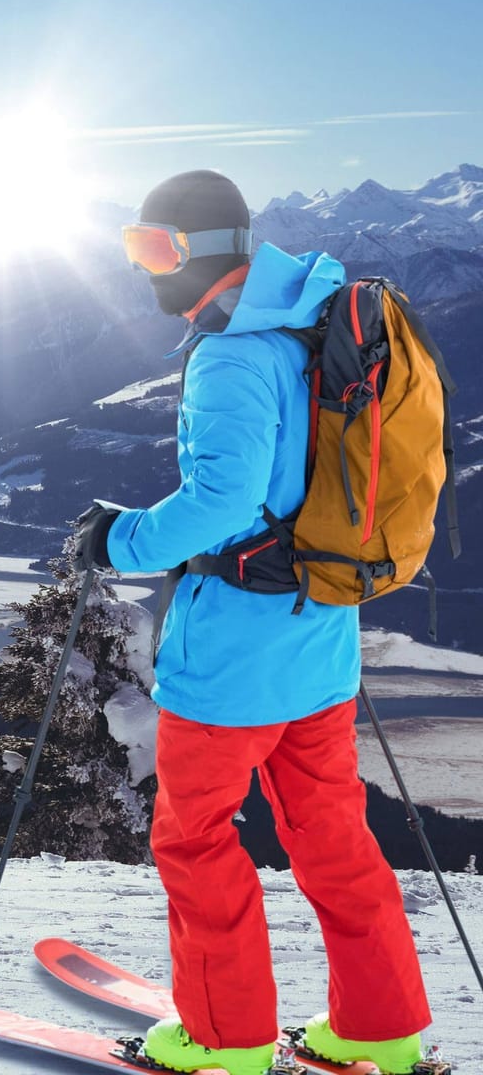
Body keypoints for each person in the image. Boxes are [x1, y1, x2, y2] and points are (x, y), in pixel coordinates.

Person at [74, 170, 431, 1075]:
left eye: (155, 250)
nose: (145, 270)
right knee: (333, 836)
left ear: (208, 251)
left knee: (195, 841)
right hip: (320, 636)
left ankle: (221, 1041)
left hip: (233, 655)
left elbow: (223, 501)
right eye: (133, 248)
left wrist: (118, 540)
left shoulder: (234, 352)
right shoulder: (319, 316)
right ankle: (378, 1031)